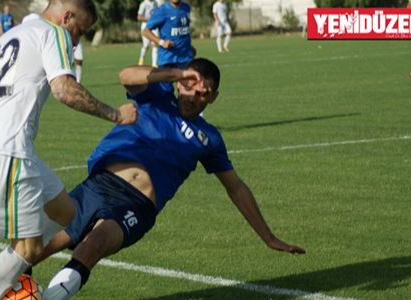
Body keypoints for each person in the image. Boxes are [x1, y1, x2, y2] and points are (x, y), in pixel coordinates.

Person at [36, 58, 306, 300]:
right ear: (181, 84)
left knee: (91, 247)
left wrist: (268, 238)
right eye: (190, 87)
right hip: (101, 184)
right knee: (40, 245)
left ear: (213, 98)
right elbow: (126, 75)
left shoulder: (209, 138)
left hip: (137, 206)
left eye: (204, 93)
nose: (194, 97)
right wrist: (175, 74)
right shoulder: (156, 96)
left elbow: (236, 188)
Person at [0, 1, 137, 299]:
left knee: (66, 212)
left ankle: (6, 270)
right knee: (29, 249)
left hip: (1, 146)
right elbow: (64, 89)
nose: (76, 41)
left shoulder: (12, 35)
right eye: (79, 31)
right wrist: (117, 115)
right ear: (67, 17)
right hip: (10, 150)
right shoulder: (55, 32)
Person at [142, 0, 194, 69]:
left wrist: (189, 47)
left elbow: (183, 31)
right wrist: (162, 42)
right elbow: (145, 31)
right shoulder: (161, 11)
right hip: (167, 59)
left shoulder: (186, 8)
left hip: (186, 58)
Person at [137, 0, 159, 67]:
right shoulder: (143, 4)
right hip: (146, 26)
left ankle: (154, 64)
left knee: (155, 44)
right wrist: (149, 18)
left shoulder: (155, 3)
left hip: (154, 26)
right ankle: (141, 60)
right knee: (146, 45)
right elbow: (139, 17)